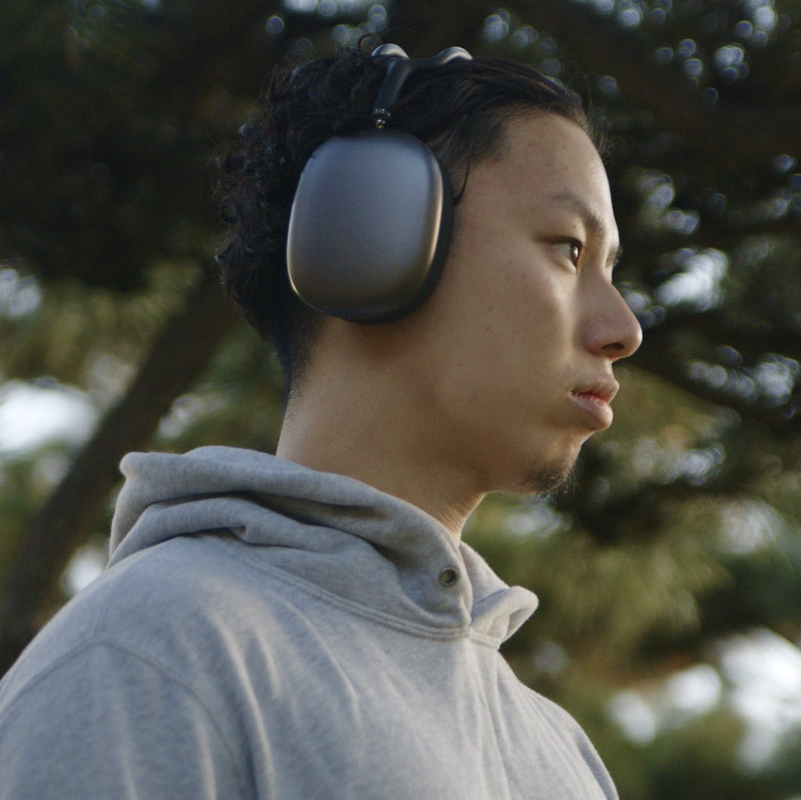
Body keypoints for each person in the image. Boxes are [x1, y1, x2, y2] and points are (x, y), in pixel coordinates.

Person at [0, 43, 641, 799]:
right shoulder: (150, 655)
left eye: (611, 269)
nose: (623, 329)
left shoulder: (560, 753)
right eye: (569, 249)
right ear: (370, 238)